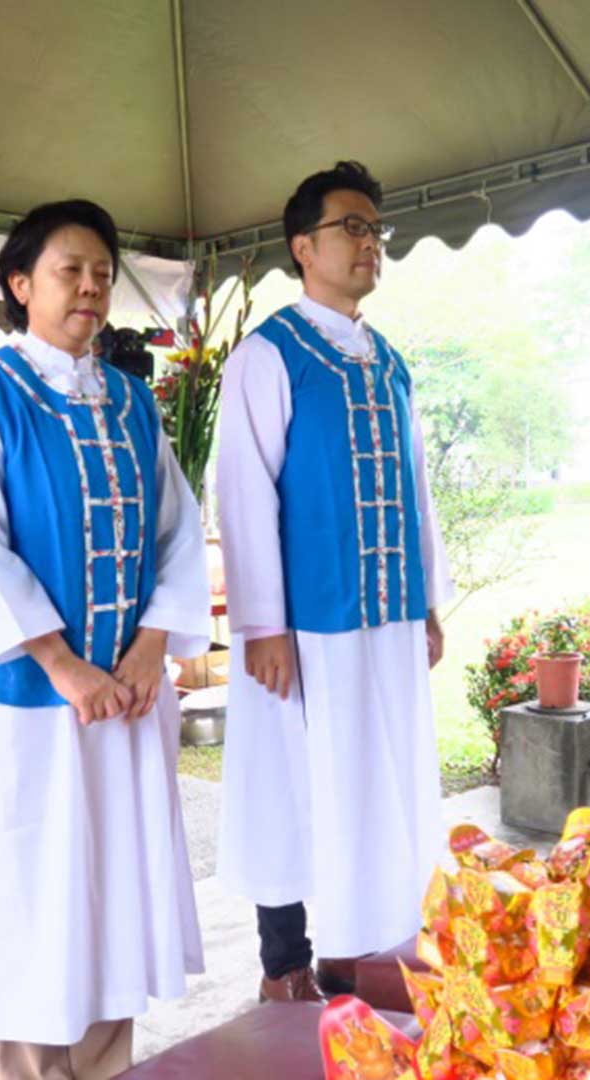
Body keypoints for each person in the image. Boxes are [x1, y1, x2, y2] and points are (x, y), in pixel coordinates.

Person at [0, 198, 210, 1080]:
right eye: (68, 271)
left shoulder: (130, 402)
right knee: (36, 893)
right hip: (31, 704)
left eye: (100, 272)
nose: (90, 287)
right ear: (20, 285)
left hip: (125, 699)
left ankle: (108, 1067)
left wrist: (151, 648)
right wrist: (64, 666)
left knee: (114, 890)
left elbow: (177, 528)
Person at [216, 161, 453, 1003]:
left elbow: (417, 485)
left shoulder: (386, 360)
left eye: (375, 229)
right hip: (306, 619)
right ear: (302, 247)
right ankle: (284, 963)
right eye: (351, 227)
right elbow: (243, 490)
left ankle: (357, 951)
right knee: (290, 780)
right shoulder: (271, 354)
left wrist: (427, 600)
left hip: (386, 616)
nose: (368, 243)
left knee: (376, 778)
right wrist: (262, 624)